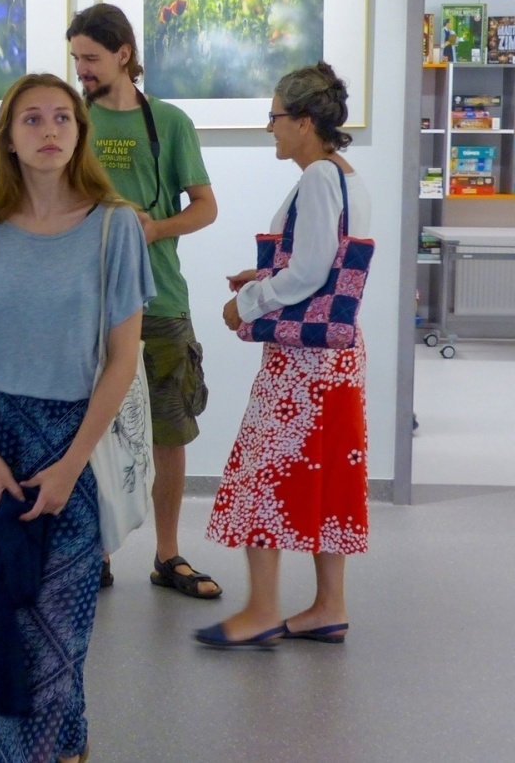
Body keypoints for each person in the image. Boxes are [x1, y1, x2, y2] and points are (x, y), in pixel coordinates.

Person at [0, 73, 154, 763]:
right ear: (8, 135)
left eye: (62, 118)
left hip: (77, 446)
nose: (49, 131)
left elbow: (123, 359)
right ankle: (68, 747)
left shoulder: (114, 224)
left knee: (51, 629)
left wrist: (68, 467)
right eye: (32, 119)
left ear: (80, 132)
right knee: (11, 612)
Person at [198, 62, 371, 649]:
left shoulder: (319, 177)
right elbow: (328, 266)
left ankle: (263, 609)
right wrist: (270, 275)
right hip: (334, 358)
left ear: (303, 122)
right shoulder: (346, 176)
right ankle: (328, 604)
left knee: (264, 473)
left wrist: (250, 300)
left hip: (304, 365)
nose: (268, 128)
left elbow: (310, 270)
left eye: (274, 117)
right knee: (325, 472)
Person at [66, 4, 221, 599]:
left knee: (169, 431)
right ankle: (95, 551)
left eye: (91, 58)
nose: (81, 69)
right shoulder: (68, 122)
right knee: (88, 430)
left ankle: (168, 554)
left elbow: (205, 207)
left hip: (159, 298)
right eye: (76, 58)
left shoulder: (171, 122)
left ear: (123, 54)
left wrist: (151, 229)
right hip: (82, 303)